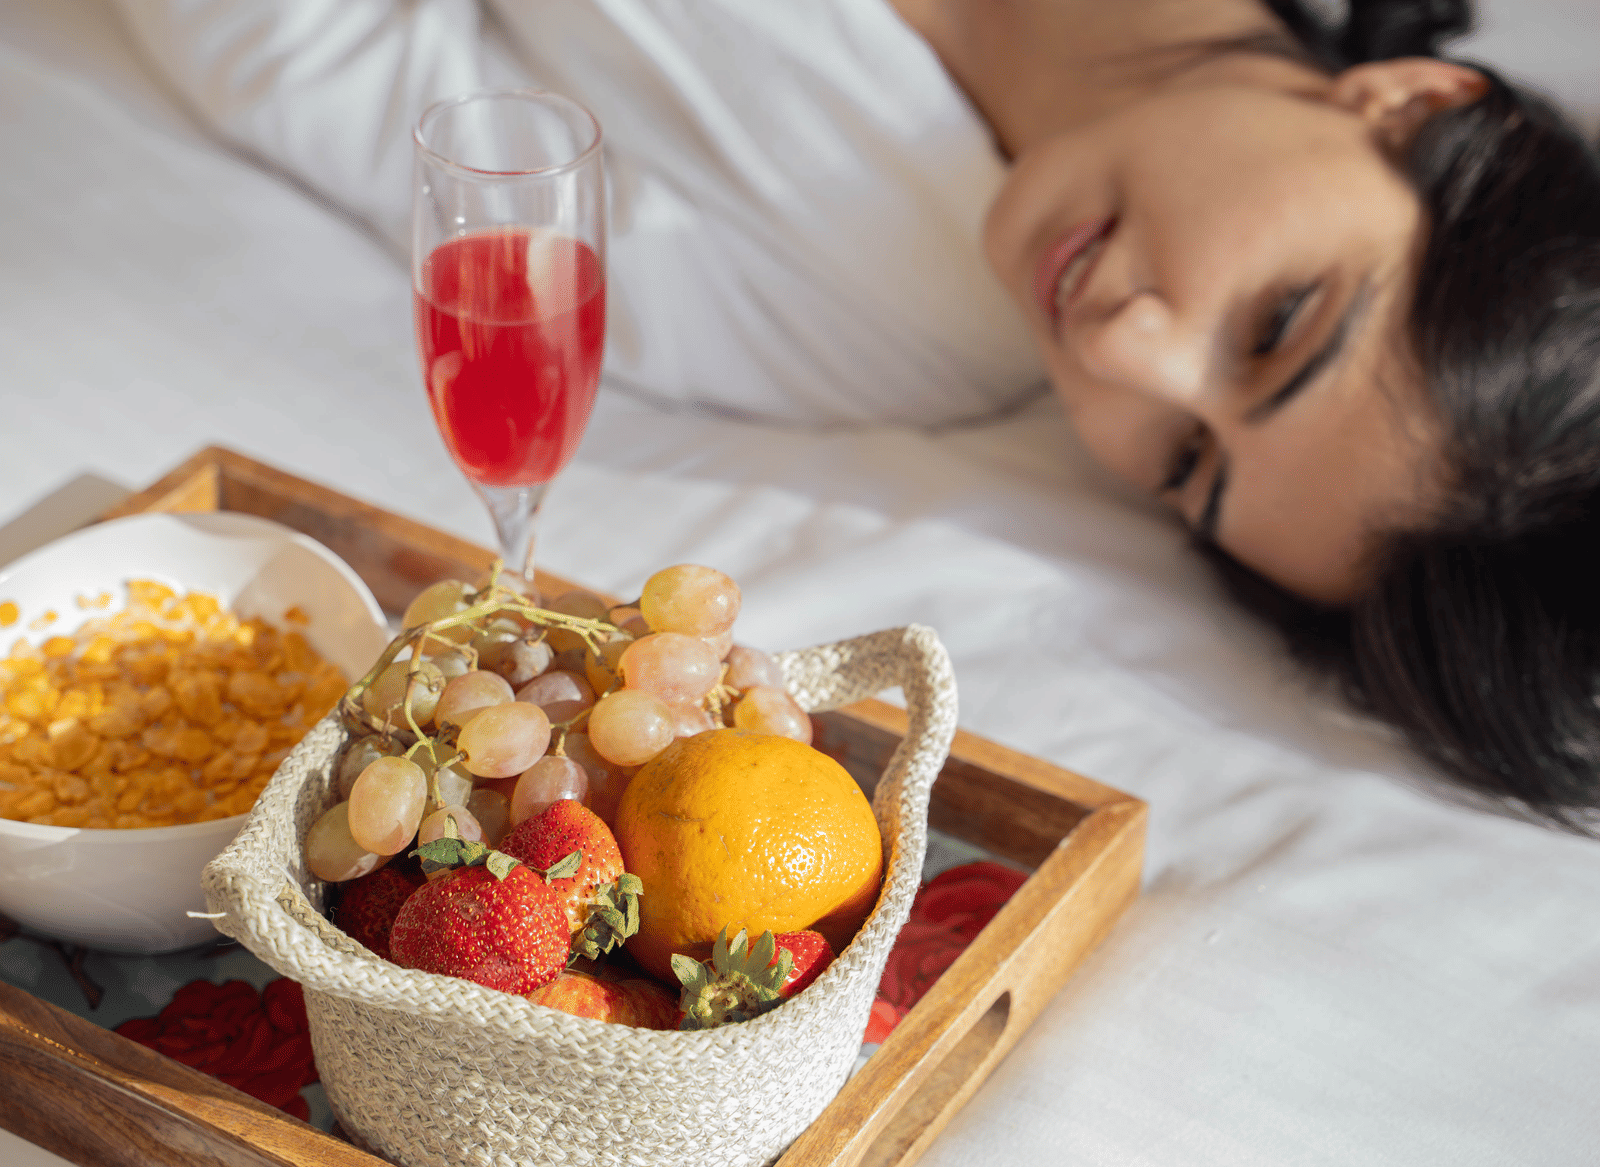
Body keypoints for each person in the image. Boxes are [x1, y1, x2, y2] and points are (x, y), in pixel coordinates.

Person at [112, 0, 1600, 827]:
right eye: (1281, 325)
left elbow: (313, 58)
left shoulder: (875, 326)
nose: (1127, 353)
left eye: (1187, 461)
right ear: (1409, 102)